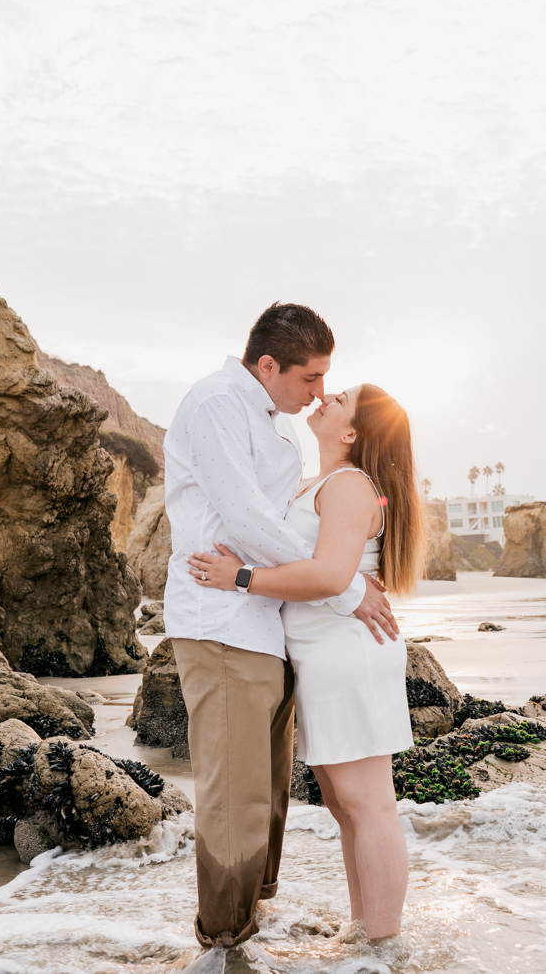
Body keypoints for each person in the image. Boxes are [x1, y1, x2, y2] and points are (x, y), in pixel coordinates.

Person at [161, 303, 399, 973]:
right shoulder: (215, 404)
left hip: (270, 631)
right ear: (269, 365)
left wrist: (327, 566)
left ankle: (247, 927)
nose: (319, 392)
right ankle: (222, 944)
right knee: (234, 793)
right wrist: (344, 584)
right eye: (311, 377)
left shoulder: (282, 432)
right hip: (222, 623)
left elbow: (287, 531)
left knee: (264, 795)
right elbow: (244, 518)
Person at [189, 381, 425, 944]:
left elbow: (327, 576)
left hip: (349, 655)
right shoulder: (318, 484)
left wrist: (239, 578)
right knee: (346, 806)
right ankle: (363, 930)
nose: (325, 398)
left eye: (338, 399)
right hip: (321, 657)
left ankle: (385, 944)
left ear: (350, 433)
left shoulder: (348, 485)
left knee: (368, 804)